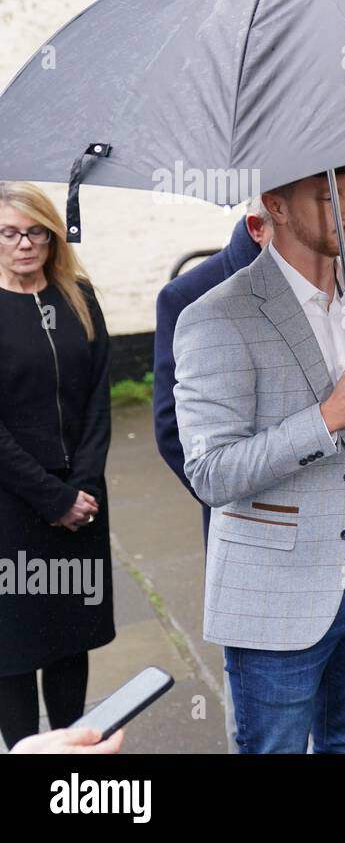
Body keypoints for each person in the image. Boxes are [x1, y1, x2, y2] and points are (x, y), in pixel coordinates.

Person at [172, 164, 345, 754]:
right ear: (276, 206)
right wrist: (327, 417)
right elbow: (210, 472)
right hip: (278, 587)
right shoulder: (216, 315)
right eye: (328, 194)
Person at [0, 182, 114, 749]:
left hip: (82, 500)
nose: (25, 243)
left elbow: (98, 398)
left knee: (71, 638)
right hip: (12, 505)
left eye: (36, 231)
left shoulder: (78, 296)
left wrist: (83, 488)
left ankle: (75, 756)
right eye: (10, 232)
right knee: (13, 649)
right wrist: (52, 498)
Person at [154, 202, 273, 539]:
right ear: (257, 227)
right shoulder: (189, 295)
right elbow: (171, 426)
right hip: (244, 522)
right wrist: (234, 500)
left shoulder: (329, 280)